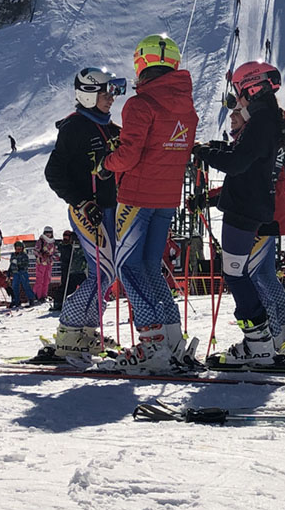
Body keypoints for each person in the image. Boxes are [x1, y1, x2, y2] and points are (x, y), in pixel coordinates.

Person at [91, 34, 198, 373]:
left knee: (129, 267)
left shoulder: (140, 104)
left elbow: (127, 155)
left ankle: (152, 343)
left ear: (142, 64)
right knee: (152, 266)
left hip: (136, 196)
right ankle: (170, 338)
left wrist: (105, 162)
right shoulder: (187, 105)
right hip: (166, 197)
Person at [196, 61, 285, 364]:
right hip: (252, 205)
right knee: (248, 274)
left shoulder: (262, 122)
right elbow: (244, 156)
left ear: (251, 89)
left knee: (237, 275)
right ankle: (267, 339)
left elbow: (237, 163)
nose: (237, 100)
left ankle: (259, 342)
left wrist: (205, 153)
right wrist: (212, 150)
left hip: (244, 207)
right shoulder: (266, 120)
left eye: (239, 92)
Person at [43, 67, 124, 358]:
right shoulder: (75, 127)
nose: (111, 98)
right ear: (87, 95)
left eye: (112, 92)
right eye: (105, 93)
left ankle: (86, 332)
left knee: (107, 273)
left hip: (110, 210)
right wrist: (80, 201)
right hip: (88, 210)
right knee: (104, 271)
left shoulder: (108, 127)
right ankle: (69, 330)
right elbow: (53, 172)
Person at [9, 242, 37, 307]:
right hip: (15, 273)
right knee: (15, 286)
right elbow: (11, 264)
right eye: (17, 248)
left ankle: (31, 299)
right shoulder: (13, 255)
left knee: (26, 286)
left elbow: (26, 264)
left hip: (22, 273)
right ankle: (16, 300)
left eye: (19, 248)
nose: (18, 249)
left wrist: (20, 267)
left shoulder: (24, 255)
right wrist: (9, 272)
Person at [33, 227, 57, 300]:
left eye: (50, 232)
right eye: (47, 232)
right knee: (40, 280)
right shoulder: (41, 241)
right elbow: (35, 251)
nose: (48, 234)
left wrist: (52, 257)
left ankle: (44, 295)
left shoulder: (52, 242)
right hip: (41, 263)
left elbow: (54, 252)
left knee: (47, 279)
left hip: (49, 263)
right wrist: (42, 254)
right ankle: (37, 295)